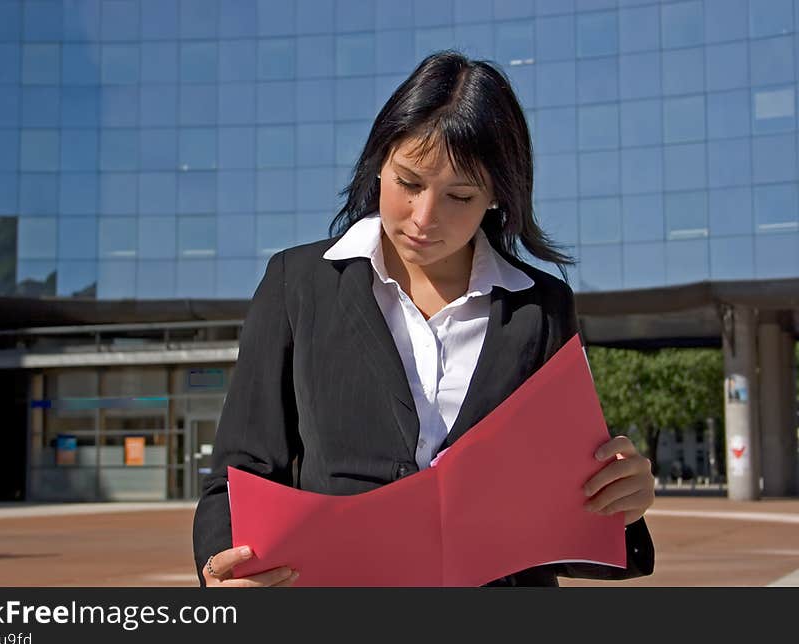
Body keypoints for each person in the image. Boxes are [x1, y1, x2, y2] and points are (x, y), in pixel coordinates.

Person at [193, 51, 655, 587]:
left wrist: (623, 498)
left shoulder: (541, 306)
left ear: (497, 197)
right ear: (379, 162)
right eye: (408, 182)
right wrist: (225, 569)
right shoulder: (297, 284)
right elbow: (238, 476)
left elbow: (561, 510)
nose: (424, 218)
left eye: (460, 195)